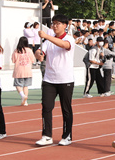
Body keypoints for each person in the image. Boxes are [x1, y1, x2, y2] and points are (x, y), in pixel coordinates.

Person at [35, 14, 75, 146]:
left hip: (65, 79)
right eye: (53, 23)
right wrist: (39, 54)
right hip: (49, 79)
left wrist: (47, 37)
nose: (55, 26)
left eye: (58, 23)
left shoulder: (69, 39)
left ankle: (67, 136)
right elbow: (40, 51)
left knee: (66, 108)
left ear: (65, 25)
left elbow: (64, 45)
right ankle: (47, 135)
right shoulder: (47, 41)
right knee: (46, 107)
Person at [12, 36, 35, 106]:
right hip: (28, 70)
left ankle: (22, 95)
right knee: (26, 86)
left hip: (19, 70)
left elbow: (13, 60)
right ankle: (25, 101)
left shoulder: (17, 50)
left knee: (17, 85)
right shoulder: (29, 50)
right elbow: (33, 60)